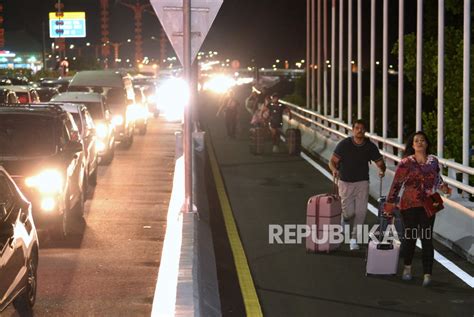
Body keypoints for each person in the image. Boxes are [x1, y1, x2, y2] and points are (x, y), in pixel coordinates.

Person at [384, 131, 450, 287]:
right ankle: (407, 267)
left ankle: (427, 274)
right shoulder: (405, 163)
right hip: (410, 205)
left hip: (430, 203)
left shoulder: (433, 161)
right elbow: (396, 184)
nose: (419, 143)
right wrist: (390, 204)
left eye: (422, 140)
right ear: (412, 145)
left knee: (427, 239)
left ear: (426, 144)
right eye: (416, 141)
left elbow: (437, 178)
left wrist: (444, 187)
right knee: (411, 237)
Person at [328, 119, 386, 250]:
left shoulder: (370, 146)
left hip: (362, 182)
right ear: (353, 130)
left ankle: (354, 239)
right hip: (345, 182)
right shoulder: (344, 144)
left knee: (361, 212)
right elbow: (332, 161)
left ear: (365, 130)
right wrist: (334, 170)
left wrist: (382, 170)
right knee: (349, 213)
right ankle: (345, 219)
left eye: (362, 128)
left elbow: (380, 162)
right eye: (357, 128)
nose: (359, 130)